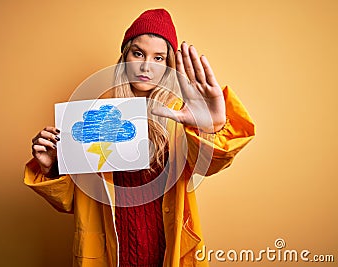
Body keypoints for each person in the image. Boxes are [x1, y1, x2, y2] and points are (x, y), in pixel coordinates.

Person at [25, 8, 255, 267]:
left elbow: (211, 163)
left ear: (169, 64)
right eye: (138, 53)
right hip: (111, 252)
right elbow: (75, 201)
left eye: (158, 57)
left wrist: (211, 127)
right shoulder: (93, 116)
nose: (146, 66)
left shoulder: (182, 114)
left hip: (167, 248)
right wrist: (53, 167)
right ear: (125, 56)